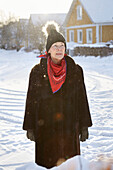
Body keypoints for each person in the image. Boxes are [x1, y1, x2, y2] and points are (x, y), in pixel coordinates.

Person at [23, 21, 92, 169]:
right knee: (47, 165)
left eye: (62, 46)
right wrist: (30, 127)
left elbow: (82, 99)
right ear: (48, 50)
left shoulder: (75, 70)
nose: (59, 49)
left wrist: (84, 125)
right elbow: (31, 101)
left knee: (69, 165)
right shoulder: (37, 72)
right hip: (45, 128)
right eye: (55, 46)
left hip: (69, 128)